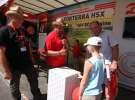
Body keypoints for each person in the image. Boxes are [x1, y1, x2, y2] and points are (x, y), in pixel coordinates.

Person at [0, 6, 43, 100]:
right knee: (15, 86)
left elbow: (27, 45)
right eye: (20, 18)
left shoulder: (21, 30)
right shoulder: (4, 31)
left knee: (34, 79)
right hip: (14, 66)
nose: (22, 21)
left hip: (27, 63)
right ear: (12, 17)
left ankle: (37, 96)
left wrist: (32, 59)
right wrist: (6, 71)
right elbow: (1, 52)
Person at [89, 21, 119, 100]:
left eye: (95, 27)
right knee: (97, 83)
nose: (94, 30)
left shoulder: (108, 34)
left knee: (108, 86)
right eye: (92, 28)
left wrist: (114, 62)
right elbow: (89, 51)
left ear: (100, 26)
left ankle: (108, 97)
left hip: (107, 65)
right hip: (97, 65)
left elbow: (115, 47)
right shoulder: (92, 37)